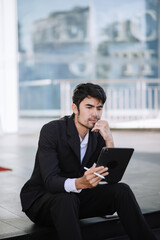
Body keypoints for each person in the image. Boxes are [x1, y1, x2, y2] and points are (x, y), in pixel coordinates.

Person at [20, 83, 157, 240]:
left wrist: (109, 140)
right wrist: (81, 183)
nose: (95, 114)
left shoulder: (96, 135)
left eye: (99, 108)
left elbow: (111, 178)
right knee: (66, 198)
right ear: (75, 108)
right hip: (42, 201)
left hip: (74, 200)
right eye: (89, 107)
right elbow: (50, 181)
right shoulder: (52, 130)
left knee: (122, 190)